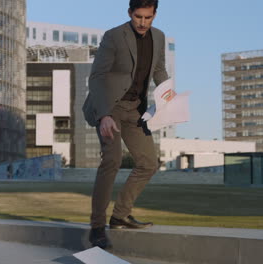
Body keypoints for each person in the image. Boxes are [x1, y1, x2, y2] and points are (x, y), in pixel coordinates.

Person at [82, 0, 168, 249]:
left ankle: (120, 215)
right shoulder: (114, 36)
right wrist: (104, 115)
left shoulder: (159, 37)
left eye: (148, 18)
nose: (142, 23)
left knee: (148, 163)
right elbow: (97, 76)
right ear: (130, 13)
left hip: (135, 109)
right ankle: (97, 226)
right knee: (112, 160)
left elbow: (159, 70)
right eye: (138, 17)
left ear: (154, 15)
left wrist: (167, 94)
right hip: (110, 107)